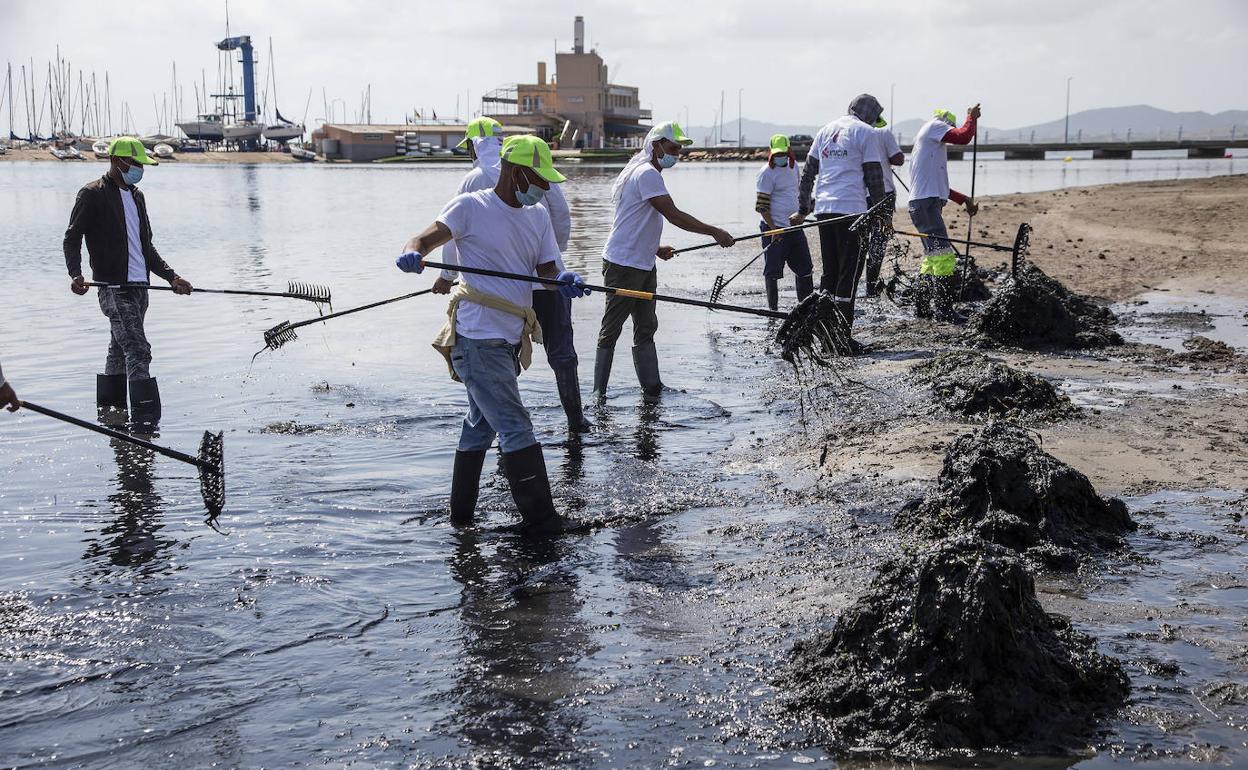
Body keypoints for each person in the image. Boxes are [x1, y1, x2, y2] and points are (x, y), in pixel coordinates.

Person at [395, 135, 588, 536]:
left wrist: (564, 281)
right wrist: (413, 254)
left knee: (479, 427)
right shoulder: (471, 207)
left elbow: (548, 271)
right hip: (477, 337)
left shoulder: (537, 217)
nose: (546, 188)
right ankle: (542, 520)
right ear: (515, 172)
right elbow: (424, 240)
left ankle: (460, 521)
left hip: (509, 337)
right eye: (540, 178)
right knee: (516, 425)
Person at [435, 118, 592, 433]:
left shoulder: (474, 179)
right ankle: (576, 421)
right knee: (562, 354)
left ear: (472, 146)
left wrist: (447, 275)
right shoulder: (536, 165)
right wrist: (551, 262)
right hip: (549, 285)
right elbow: (560, 213)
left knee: (499, 355)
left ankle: (502, 428)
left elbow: (454, 236)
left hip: (501, 292)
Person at [595, 121, 734, 399]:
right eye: (673, 148)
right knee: (611, 330)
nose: (676, 155)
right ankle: (598, 394)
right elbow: (673, 215)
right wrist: (714, 231)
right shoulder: (646, 173)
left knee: (646, 326)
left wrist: (655, 248)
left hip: (643, 262)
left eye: (680, 150)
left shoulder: (648, 173)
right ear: (656, 145)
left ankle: (652, 387)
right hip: (623, 265)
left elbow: (636, 218)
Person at [63, 136, 193, 428]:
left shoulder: (137, 196)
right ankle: (147, 425)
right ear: (116, 161)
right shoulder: (92, 194)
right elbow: (72, 238)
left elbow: (146, 247)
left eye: (141, 165)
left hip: (140, 288)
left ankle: (112, 416)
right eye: (135, 164)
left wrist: (172, 277)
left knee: (119, 348)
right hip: (112, 288)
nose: (139, 169)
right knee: (138, 349)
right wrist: (75, 274)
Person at [795, 94, 888, 349]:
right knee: (849, 274)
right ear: (870, 115)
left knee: (830, 273)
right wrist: (880, 214)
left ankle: (826, 336)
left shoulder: (825, 130)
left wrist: (803, 209)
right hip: (852, 212)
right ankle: (841, 339)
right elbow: (874, 178)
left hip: (824, 211)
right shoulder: (866, 132)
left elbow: (807, 175)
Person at [908, 104, 981, 323]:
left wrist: (964, 200)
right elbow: (963, 137)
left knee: (933, 257)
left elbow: (941, 187)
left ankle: (921, 306)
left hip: (924, 204)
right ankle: (944, 310)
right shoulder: (934, 127)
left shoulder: (930, 149)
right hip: (926, 206)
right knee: (944, 255)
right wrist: (972, 117)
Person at [754, 134, 814, 310]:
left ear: (789, 151)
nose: (781, 157)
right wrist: (774, 230)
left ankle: (806, 308)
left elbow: (798, 192)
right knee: (772, 272)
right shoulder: (766, 173)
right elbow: (762, 207)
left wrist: (805, 209)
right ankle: (773, 311)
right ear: (771, 153)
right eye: (777, 154)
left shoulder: (794, 168)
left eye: (784, 153)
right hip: (773, 229)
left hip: (794, 228)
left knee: (805, 269)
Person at [862, 124, 905, 297]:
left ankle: (852, 286)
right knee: (878, 241)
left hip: (859, 194)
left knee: (861, 241)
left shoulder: (855, 132)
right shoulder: (883, 132)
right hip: (884, 193)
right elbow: (898, 159)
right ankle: (870, 288)